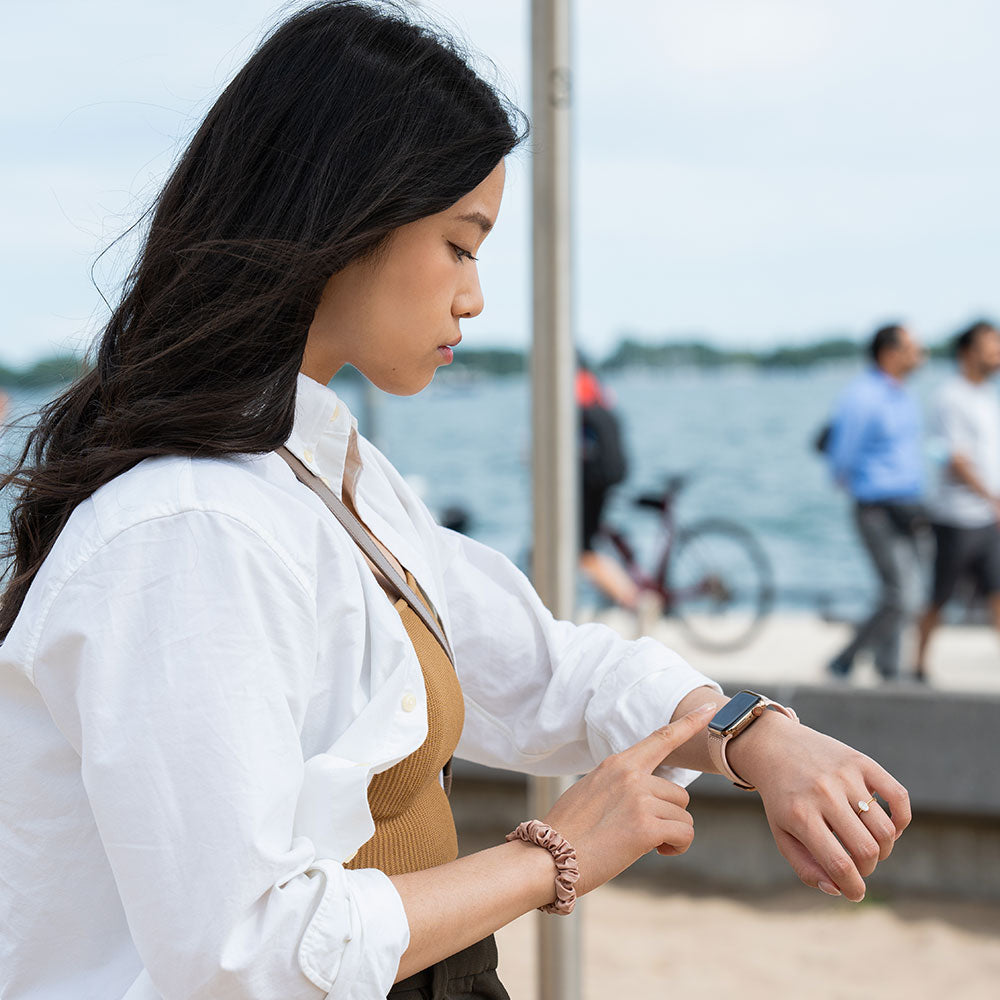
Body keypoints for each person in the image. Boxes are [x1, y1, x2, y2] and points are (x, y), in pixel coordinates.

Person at [0, 5, 910, 999]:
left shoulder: (321, 474)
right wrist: (549, 854)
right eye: (461, 244)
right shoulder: (188, 530)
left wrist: (752, 732)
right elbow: (241, 954)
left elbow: (545, 670)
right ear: (346, 221)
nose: (474, 298)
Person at [825, 324, 926, 680]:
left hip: (908, 506)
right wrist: (858, 487)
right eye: (913, 348)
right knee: (902, 595)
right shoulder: (863, 395)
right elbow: (842, 454)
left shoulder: (903, 394)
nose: (920, 354)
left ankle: (889, 671)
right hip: (877, 508)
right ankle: (845, 658)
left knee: (905, 594)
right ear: (890, 353)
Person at [915, 320, 1000, 680]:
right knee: (940, 595)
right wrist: (992, 498)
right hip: (957, 517)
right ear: (968, 352)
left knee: (997, 590)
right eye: (990, 345)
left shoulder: (985, 396)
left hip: (987, 516)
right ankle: (917, 664)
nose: (997, 352)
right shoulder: (951, 396)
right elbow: (958, 460)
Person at [577, 357, 639, 609]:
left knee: (581, 549)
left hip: (596, 475)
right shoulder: (594, 384)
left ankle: (635, 600)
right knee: (594, 535)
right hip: (614, 469)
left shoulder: (572, 385)